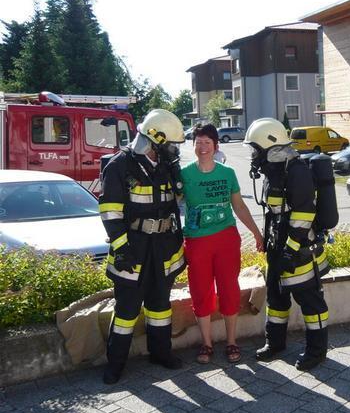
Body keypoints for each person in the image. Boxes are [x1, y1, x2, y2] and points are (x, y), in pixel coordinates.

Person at [99, 109, 186, 385]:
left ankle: (161, 354)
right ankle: (116, 365)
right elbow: (110, 212)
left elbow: (179, 201)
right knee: (126, 311)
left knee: (160, 306)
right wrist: (121, 249)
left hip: (162, 247)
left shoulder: (166, 165)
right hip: (133, 249)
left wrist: (177, 176)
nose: (174, 150)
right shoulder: (119, 165)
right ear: (154, 139)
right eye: (171, 144)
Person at [244, 118, 330, 371]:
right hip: (277, 246)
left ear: (270, 147)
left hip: (299, 250)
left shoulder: (297, 170)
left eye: (255, 149)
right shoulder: (274, 169)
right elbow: (274, 211)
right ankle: (275, 343)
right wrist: (268, 241)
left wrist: (290, 252)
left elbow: (304, 215)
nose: (252, 155)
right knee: (276, 297)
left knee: (310, 303)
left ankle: (317, 352)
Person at [181, 124, 263, 364]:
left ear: (216, 146)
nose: (203, 147)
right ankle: (206, 344)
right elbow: (170, 205)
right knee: (200, 290)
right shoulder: (184, 174)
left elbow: (239, 206)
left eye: (207, 142)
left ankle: (231, 341)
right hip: (197, 241)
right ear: (193, 145)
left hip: (226, 239)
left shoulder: (227, 173)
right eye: (198, 142)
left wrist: (257, 234)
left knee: (229, 288)